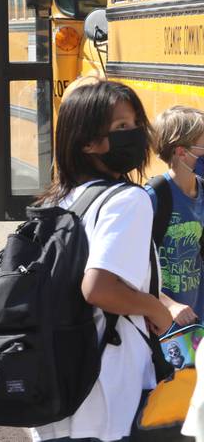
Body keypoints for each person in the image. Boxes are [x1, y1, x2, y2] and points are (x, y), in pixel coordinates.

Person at [30, 79, 172, 442]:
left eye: (137, 124)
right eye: (121, 127)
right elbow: (99, 287)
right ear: (88, 143)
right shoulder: (128, 201)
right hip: (105, 391)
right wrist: (156, 309)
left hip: (56, 384)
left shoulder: (56, 202)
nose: (136, 134)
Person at [146, 106, 204, 326]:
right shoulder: (152, 197)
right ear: (182, 152)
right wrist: (169, 305)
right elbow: (131, 273)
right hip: (163, 321)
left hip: (197, 318)